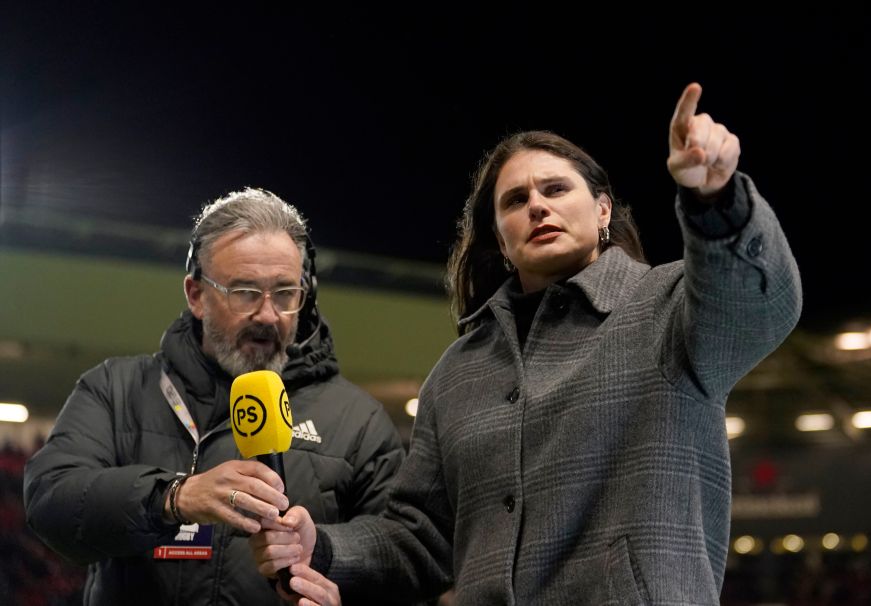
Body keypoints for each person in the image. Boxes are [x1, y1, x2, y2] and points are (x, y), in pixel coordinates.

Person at [250, 82, 803, 605]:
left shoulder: (667, 306)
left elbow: (761, 307)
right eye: (515, 200)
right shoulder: (457, 370)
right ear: (501, 240)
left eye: (556, 188)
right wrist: (320, 547)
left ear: (603, 210)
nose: (537, 205)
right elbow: (419, 537)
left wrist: (717, 199)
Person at [23, 188, 404, 605]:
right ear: (196, 294)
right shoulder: (116, 389)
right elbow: (50, 502)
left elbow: (408, 562)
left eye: (285, 293)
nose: (267, 314)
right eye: (244, 291)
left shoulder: (358, 421)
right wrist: (173, 497)